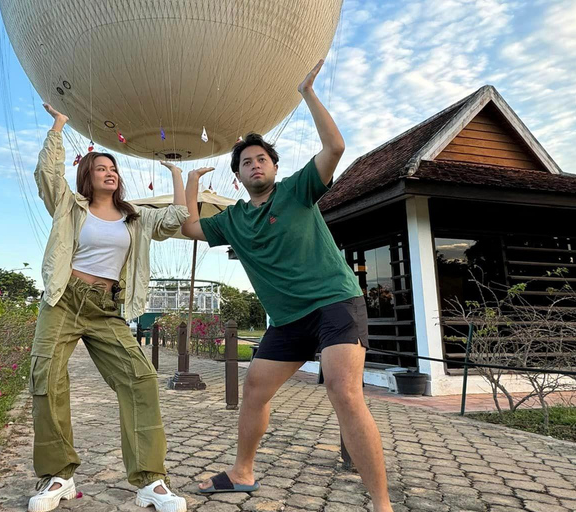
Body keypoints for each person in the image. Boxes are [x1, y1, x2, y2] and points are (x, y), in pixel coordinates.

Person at [181, 60, 394, 512]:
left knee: (343, 388)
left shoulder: (297, 190)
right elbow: (191, 228)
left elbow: (335, 146)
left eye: (261, 159)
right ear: (238, 176)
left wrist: (307, 93)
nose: (254, 165)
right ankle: (242, 472)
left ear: (274, 167)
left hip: (335, 303)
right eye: (245, 162)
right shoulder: (234, 220)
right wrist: (191, 181)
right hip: (289, 320)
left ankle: (381, 504)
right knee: (255, 388)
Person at [28, 103, 202, 512]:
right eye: (101, 167)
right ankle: (58, 476)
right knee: (46, 376)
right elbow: (46, 175)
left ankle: (151, 481)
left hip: (107, 307)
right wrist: (58, 127)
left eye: (113, 168)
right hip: (64, 300)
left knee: (140, 379)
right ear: (86, 176)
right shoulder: (69, 206)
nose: (110, 172)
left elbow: (177, 217)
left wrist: (180, 175)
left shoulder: (135, 217)